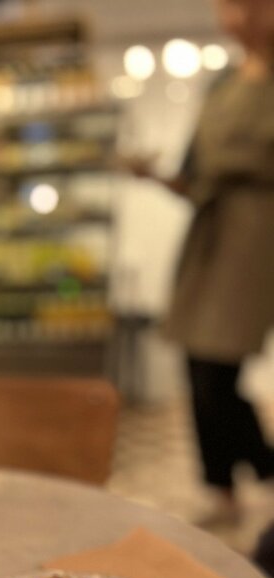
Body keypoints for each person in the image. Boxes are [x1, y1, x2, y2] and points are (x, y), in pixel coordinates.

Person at [128, 0, 274, 524]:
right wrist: (151, 175)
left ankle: (256, 468)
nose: (236, 18)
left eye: (248, 7)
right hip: (208, 240)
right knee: (199, 368)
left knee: (217, 371)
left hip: (255, 243)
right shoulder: (222, 83)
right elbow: (194, 177)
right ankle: (224, 486)